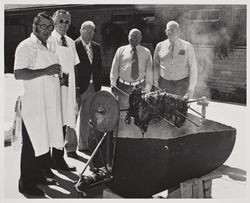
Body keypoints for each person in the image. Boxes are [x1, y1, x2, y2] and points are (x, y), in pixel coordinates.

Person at [14, 12, 63, 197]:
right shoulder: (25, 46)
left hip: (48, 103)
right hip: (33, 104)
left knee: (43, 142)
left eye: (50, 27)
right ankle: (25, 184)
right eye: (43, 26)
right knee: (31, 144)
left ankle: (38, 176)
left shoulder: (49, 45)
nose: (47, 30)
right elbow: (19, 73)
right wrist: (46, 70)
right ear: (35, 25)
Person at [50, 9, 79, 162]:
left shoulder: (71, 42)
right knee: (51, 124)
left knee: (63, 123)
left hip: (67, 89)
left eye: (67, 22)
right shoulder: (49, 40)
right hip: (53, 88)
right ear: (54, 22)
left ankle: (58, 158)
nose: (64, 24)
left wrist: (76, 90)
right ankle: (46, 163)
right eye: (61, 21)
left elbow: (73, 67)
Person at [75, 21, 103, 151]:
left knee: (86, 117)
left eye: (92, 31)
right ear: (81, 31)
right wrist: (75, 87)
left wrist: (99, 84)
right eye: (87, 31)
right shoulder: (74, 45)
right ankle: (70, 147)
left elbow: (99, 67)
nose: (90, 34)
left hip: (92, 86)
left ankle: (83, 145)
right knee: (72, 116)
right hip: (78, 87)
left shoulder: (96, 47)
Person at [110, 28, 153, 109]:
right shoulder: (120, 50)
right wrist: (113, 85)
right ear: (128, 37)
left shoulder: (146, 52)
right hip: (123, 88)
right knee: (123, 113)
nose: (134, 38)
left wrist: (147, 89)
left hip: (140, 88)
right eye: (132, 36)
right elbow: (114, 69)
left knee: (139, 114)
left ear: (141, 38)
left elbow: (149, 72)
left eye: (137, 36)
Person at [153, 21, 197, 99]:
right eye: (170, 30)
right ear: (166, 32)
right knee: (164, 109)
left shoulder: (187, 47)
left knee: (180, 109)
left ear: (179, 31)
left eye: (175, 30)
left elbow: (193, 68)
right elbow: (156, 66)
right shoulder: (159, 46)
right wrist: (156, 83)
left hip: (182, 84)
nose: (172, 32)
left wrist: (191, 88)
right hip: (164, 84)